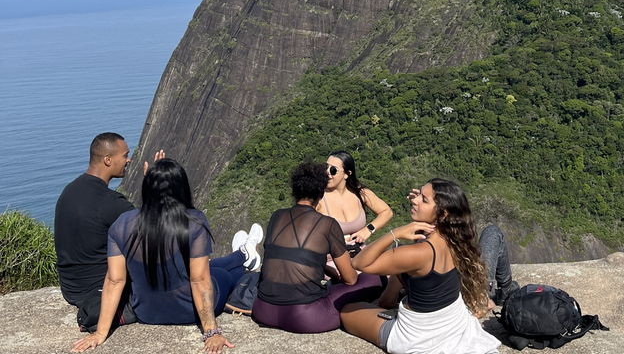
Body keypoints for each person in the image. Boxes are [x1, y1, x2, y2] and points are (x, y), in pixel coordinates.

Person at [71, 158, 262, 354]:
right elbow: (200, 280)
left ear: (147, 188)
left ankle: (243, 254)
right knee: (225, 274)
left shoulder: (121, 224)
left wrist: (100, 333)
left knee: (207, 267)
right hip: (190, 312)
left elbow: (114, 280)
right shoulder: (193, 221)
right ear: (182, 188)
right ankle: (244, 258)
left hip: (146, 313)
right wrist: (211, 332)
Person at [340, 178, 501, 354]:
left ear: (443, 213)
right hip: (452, 322)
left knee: (348, 311)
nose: (415, 200)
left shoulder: (419, 253)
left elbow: (359, 263)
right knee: (408, 268)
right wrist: (426, 206)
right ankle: (389, 300)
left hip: (417, 337)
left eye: (424, 199)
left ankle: (389, 305)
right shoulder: (456, 237)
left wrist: (396, 233)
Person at [251, 160, 385, 333]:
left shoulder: (276, 216)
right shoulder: (327, 224)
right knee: (375, 279)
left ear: (293, 192)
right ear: (320, 194)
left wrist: (326, 269)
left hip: (263, 310)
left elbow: (287, 256)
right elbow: (350, 279)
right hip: (304, 317)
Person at [55, 133, 136, 308]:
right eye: (125, 155)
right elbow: (153, 230)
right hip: (101, 291)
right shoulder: (110, 202)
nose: (128, 160)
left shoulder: (68, 191)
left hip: (70, 289)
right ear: (108, 159)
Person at [317, 151, 393, 252]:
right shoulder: (318, 197)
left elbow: (386, 212)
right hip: (331, 258)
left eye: (333, 170)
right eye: (325, 167)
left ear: (347, 174)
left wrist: (368, 229)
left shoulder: (360, 193)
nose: (327, 172)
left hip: (360, 254)